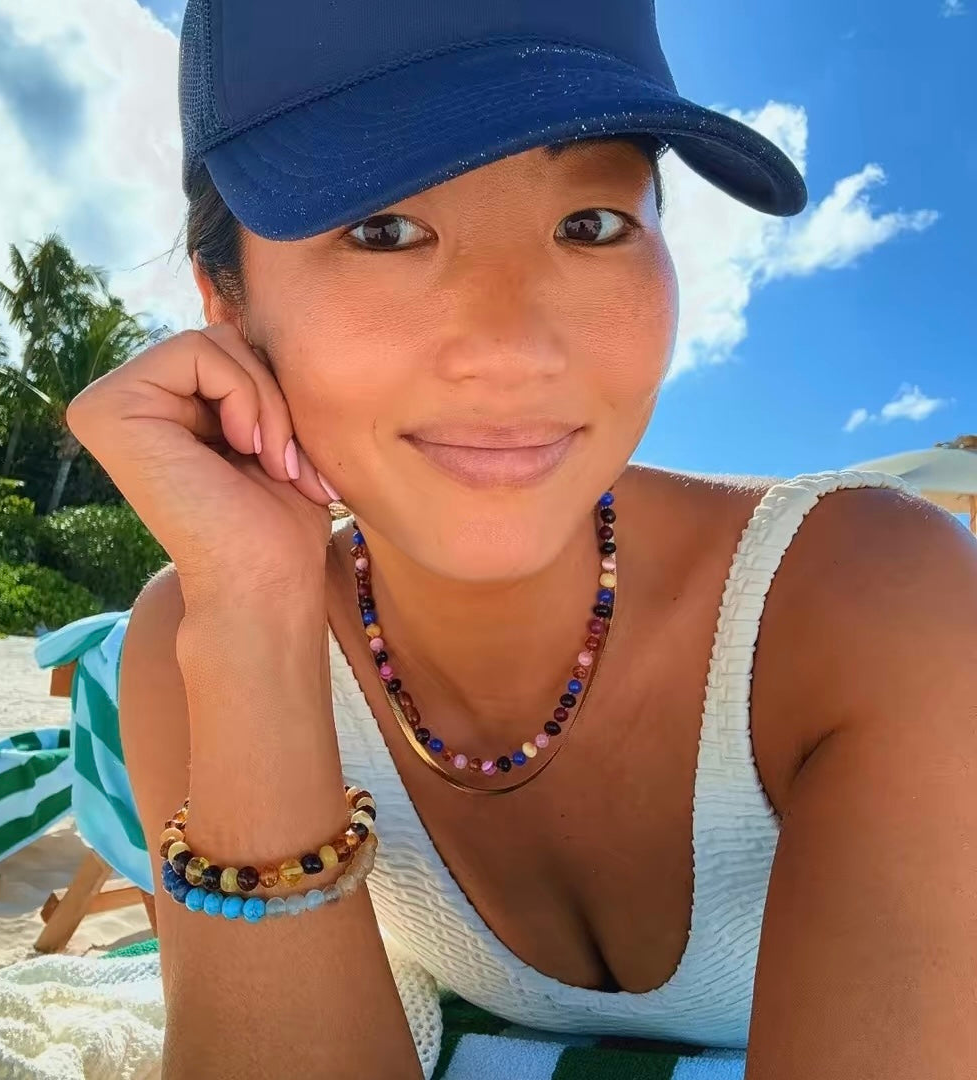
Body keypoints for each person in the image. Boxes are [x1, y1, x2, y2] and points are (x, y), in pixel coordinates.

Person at [66, 1, 977, 1077]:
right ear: (225, 297)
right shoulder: (202, 626)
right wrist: (253, 627)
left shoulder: (875, 604)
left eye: (589, 225)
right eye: (384, 229)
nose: (511, 350)